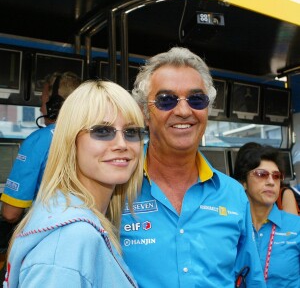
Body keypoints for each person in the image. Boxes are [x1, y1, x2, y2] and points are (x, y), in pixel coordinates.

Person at [120, 47, 266, 287]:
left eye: (196, 99)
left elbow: (253, 280)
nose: (184, 111)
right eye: (166, 100)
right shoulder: (115, 189)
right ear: (144, 113)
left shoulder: (233, 195)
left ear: (207, 109)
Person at [3, 80, 146, 287]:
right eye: (102, 131)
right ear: (71, 142)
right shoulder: (70, 242)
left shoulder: (63, 214)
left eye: (131, 132)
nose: (122, 144)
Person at [0, 72, 82, 223]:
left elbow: (10, 213)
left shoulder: (39, 140)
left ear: (55, 104)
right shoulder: (94, 136)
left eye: (43, 102)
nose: (40, 109)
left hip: (50, 230)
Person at [233, 142, 300, 287]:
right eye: (261, 174)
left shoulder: (296, 228)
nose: (270, 182)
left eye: (276, 176)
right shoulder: (230, 227)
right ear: (244, 182)